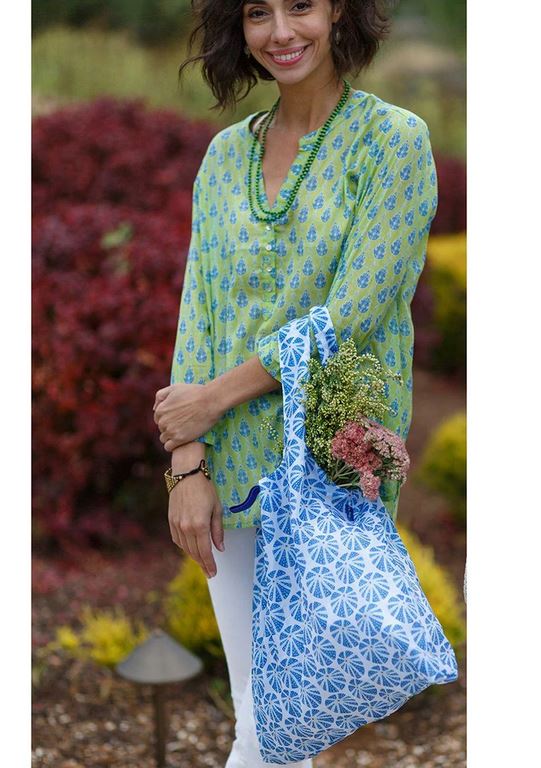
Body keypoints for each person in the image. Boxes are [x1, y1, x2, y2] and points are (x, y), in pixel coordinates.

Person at [153, 1, 438, 765]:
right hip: (231, 473)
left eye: (300, 6)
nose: (281, 31)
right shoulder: (222, 156)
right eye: (257, 12)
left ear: (339, 10)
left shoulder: (390, 142)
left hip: (326, 462)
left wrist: (214, 396)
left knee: (275, 727)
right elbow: (199, 312)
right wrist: (188, 464)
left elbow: (354, 310)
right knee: (266, 717)